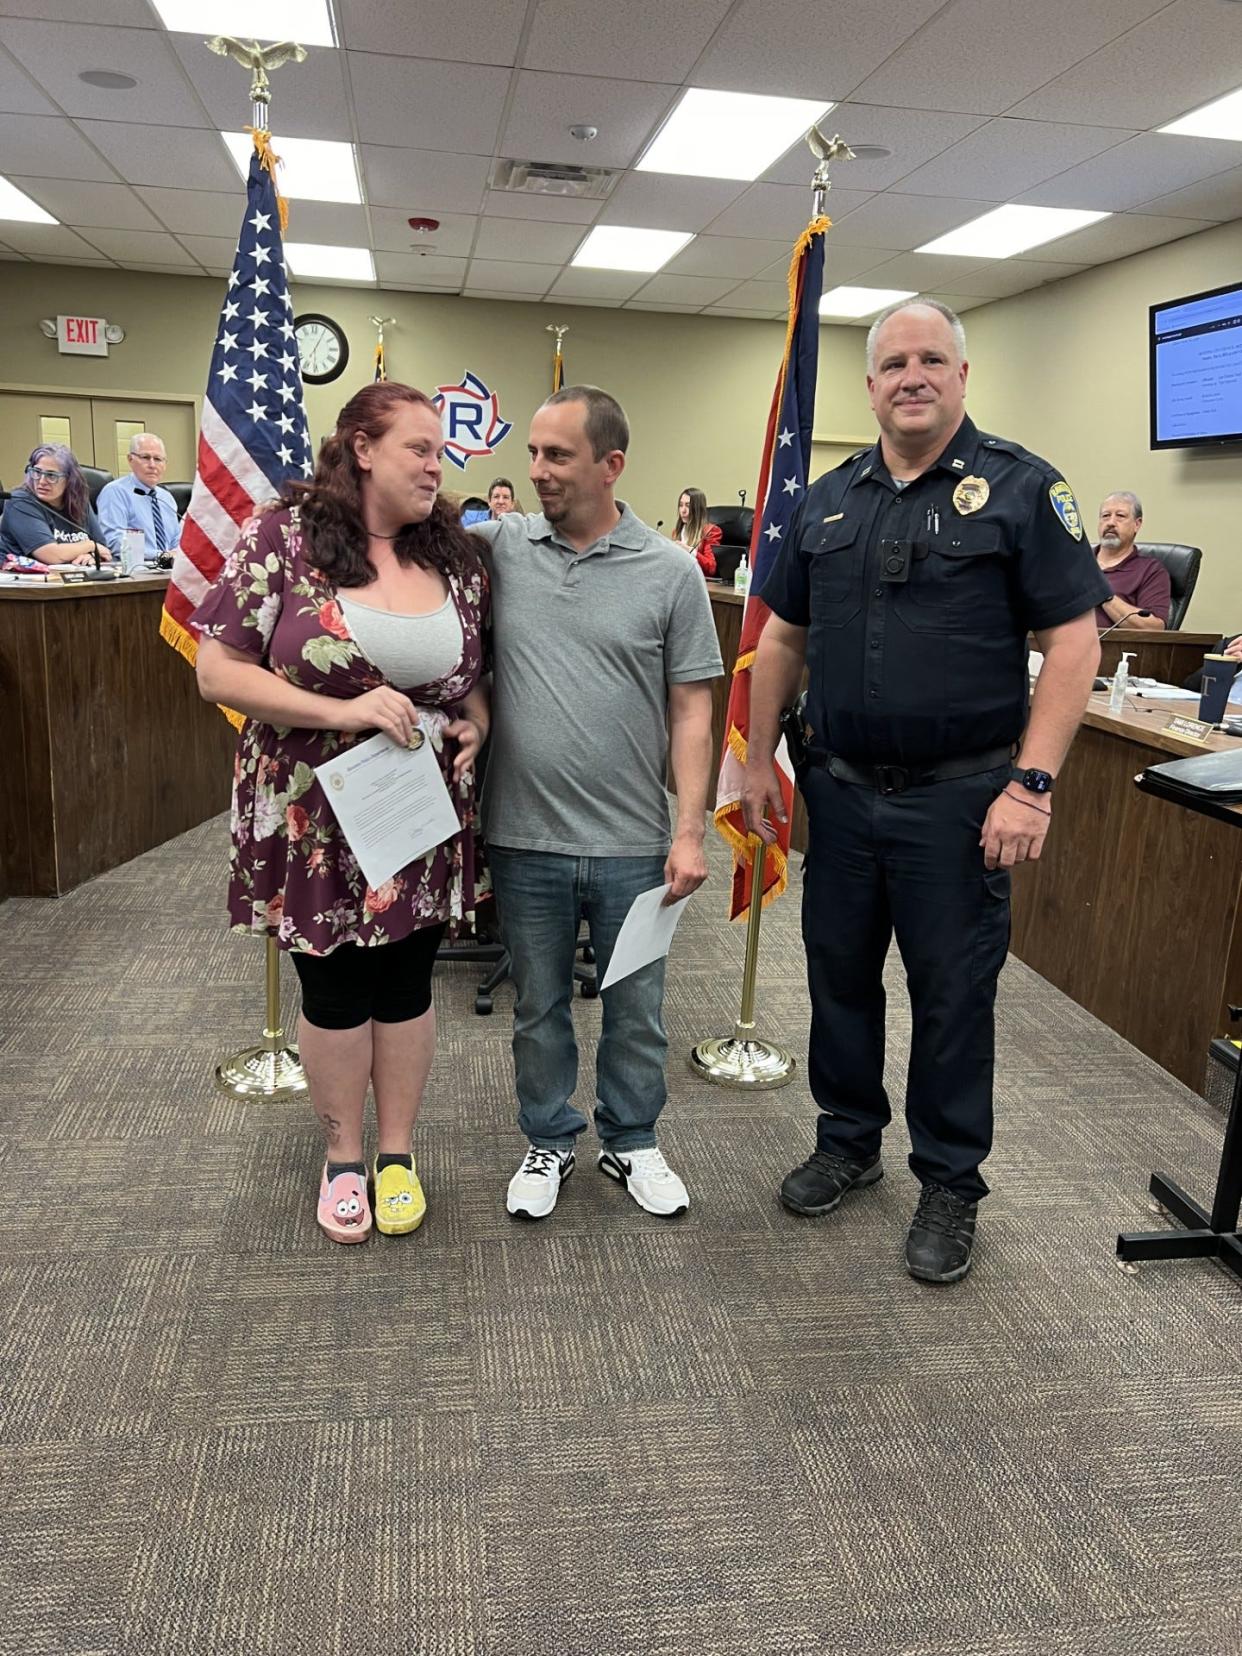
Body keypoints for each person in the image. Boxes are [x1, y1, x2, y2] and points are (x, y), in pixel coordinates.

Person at [743, 299, 1108, 1285]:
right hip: (841, 791)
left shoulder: (1023, 492)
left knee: (953, 995)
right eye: (894, 361)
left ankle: (950, 1183)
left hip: (961, 802)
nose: (912, 374)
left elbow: (1075, 644)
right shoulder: (826, 500)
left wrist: (1031, 786)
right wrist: (756, 760)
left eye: (931, 359)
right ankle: (848, 1140)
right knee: (839, 976)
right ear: (870, 386)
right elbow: (781, 638)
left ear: (961, 374)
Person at [192, 383, 490, 1246]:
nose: (438, 465)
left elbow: (467, 679)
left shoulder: (455, 554)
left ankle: (397, 1153)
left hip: (417, 813)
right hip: (314, 817)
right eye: (419, 449)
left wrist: (473, 724)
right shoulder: (281, 537)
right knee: (333, 989)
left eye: (442, 452)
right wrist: (347, 711)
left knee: (406, 984)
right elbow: (220, 672)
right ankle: (344, 1157)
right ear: (361, 448)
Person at [469, 385, 723, 1222]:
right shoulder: (501, 549)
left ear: (612, 465)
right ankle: (548, 1137)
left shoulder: (670, 571)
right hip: (524, 835)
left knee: (637, 1010)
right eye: (533, 454)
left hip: (633, 841)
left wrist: (690, 830)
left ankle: (632, 1141)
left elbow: (693, 709)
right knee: (538, 1006)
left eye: (557, 456)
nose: (536, 470)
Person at [0, 445, 111, 568]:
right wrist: (89, 546)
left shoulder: (79, 500)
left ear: (70, 479)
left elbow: (103, 549)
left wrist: (91, 556)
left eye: (51, 475)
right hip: (23, 581)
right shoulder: (19, 501)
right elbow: (50, 555)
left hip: (71, 578)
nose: (41, 481)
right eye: (36, 472)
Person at [96, 432, 182, 560]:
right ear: (130, 460)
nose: (152, 465)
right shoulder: (115, 492)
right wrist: (161, 556)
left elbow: (176, 542)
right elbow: (114, 540)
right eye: (145, 457)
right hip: (134, 571)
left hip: (169, 571)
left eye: (158, 459)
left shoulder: (166, 498)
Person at [1093, 492, 1170, 630]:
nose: (1111, 523)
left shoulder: (1150, 570)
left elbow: (1154, 628)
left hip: (1114, 649)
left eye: (1120, 516)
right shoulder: (1075, 562)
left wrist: (1102, 593)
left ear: (1137, 524)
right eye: (1105, 516)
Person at [671, 486, 722, 577]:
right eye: (680, 505)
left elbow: (711, 568)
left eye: (688, 506)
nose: (683, 510)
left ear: (698, 509)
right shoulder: (676, 532)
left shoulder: (710, 531)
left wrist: (688, 550)